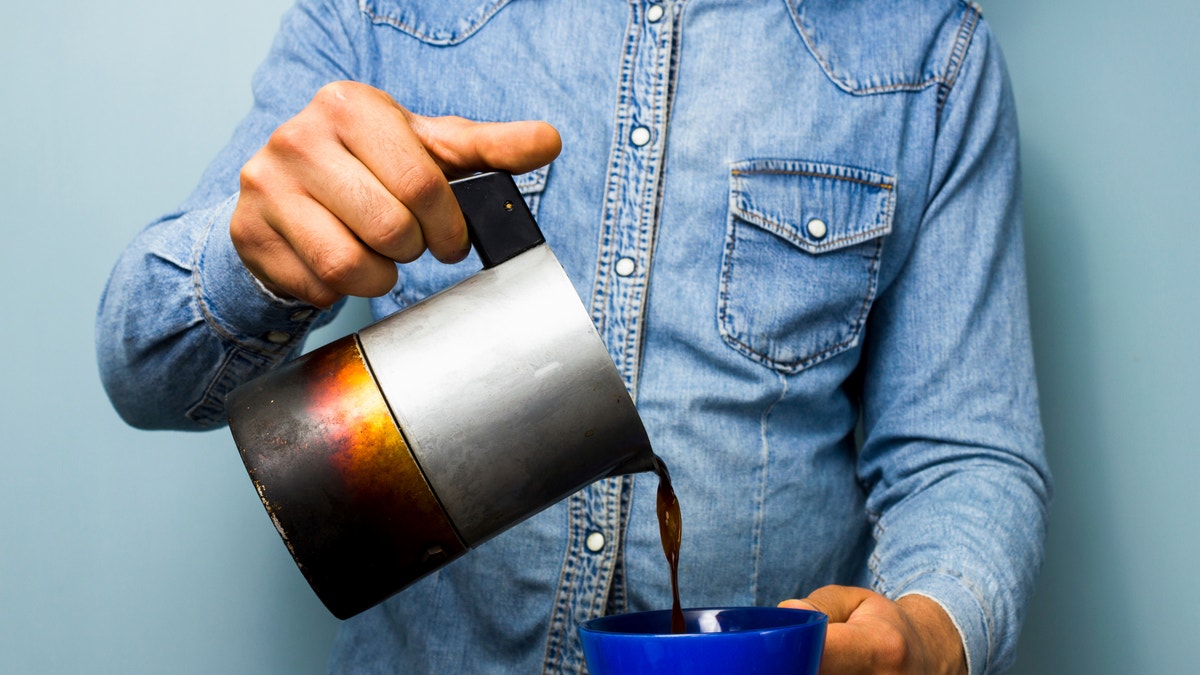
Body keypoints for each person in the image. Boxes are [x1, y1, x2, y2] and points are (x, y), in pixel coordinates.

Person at [96, 0, 1051, 672]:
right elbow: (142, 369)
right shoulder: (378, 11)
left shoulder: (932, 56)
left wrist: (930, 634)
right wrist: (252, 256)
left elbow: (963, 456)